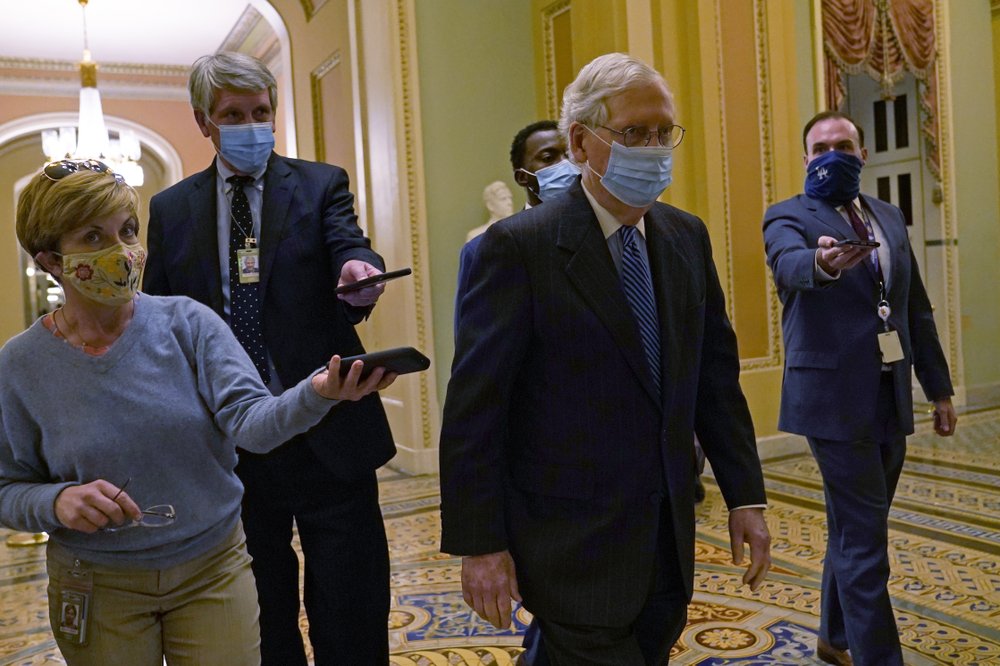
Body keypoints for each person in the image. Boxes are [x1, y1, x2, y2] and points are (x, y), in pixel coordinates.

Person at [439, 53, 771, 665]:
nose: (653, 149)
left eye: (663, 132)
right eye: (633, 133)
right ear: (580, 142)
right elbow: (475, 409)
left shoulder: (685, 236)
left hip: (667, 541)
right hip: (569, 544)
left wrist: (745, 496)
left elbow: (714, 382)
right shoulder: (519, 247)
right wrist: (480, 544)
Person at [0, 160, 393, 665]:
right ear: (50, 260)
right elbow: (7, 486)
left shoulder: (188, 324)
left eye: (128, 231)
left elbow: (252, 424)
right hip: (97, 581)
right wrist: (55, 502)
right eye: (94, 237)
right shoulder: (21, 365)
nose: (121, 251)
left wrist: (319, 391)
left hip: (212, 568)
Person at [142, 52, 396, 665]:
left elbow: (349, 245)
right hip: (232, 442)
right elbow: (159, 317)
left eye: (261, 112)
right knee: (260, 616)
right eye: (233, 115)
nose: (251, 125)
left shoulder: (319, 184)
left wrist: (359, 272)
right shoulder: (171, 210)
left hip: (329, 426)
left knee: (352, 607)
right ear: (204, 121)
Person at [762, 110, 957, 666]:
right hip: (830, 399)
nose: (832, 155)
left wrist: (939, 389)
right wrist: (821, 262)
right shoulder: (787, 215)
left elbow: (914, 307)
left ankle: (833, 637)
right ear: (805, 157)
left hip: (889, 393)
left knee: (854, 528)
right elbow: (788, 265)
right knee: (866, 540)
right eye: (820, 147)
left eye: (843, 145)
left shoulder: (888, 216)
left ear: (862, 154)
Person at [455, 120, 572, 333]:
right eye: (548, 158)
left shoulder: (607, 234)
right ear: (522, 177)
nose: (565, 165)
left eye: (570, 155)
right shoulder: (483, 248)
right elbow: (473, 339)